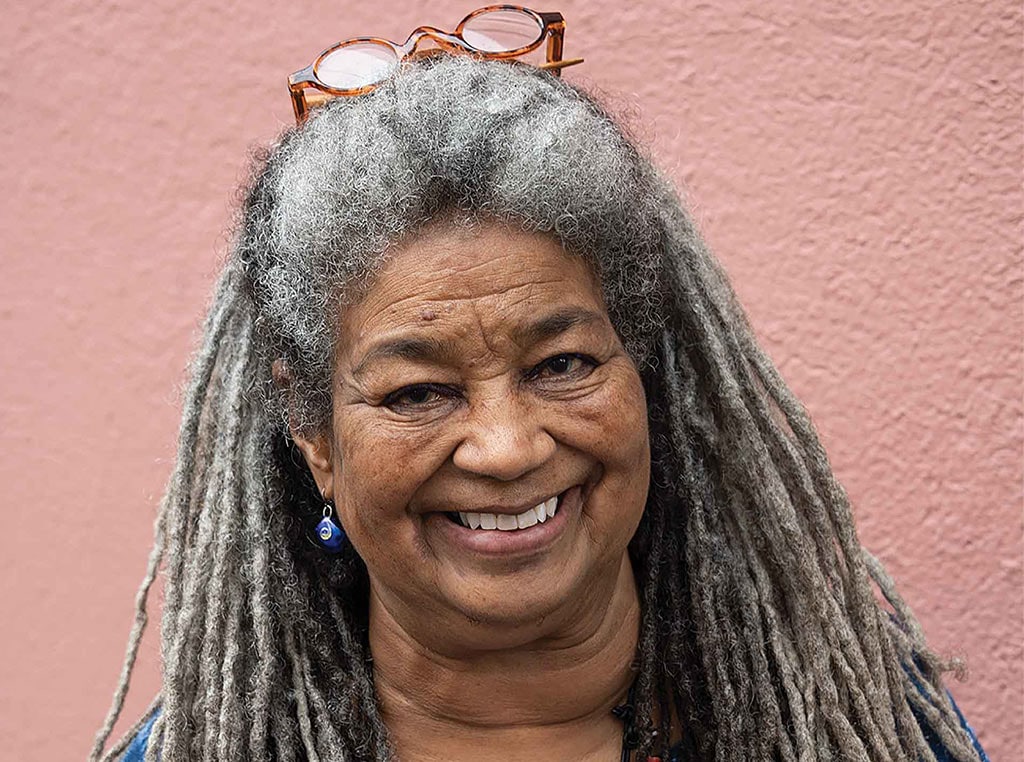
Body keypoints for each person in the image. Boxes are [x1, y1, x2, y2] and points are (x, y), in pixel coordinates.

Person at [90, 7, 988, 762]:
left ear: (645, 379)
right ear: (315, 437)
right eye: (417, 393)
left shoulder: (861, 728)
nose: (508, 447)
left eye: (562, 367)